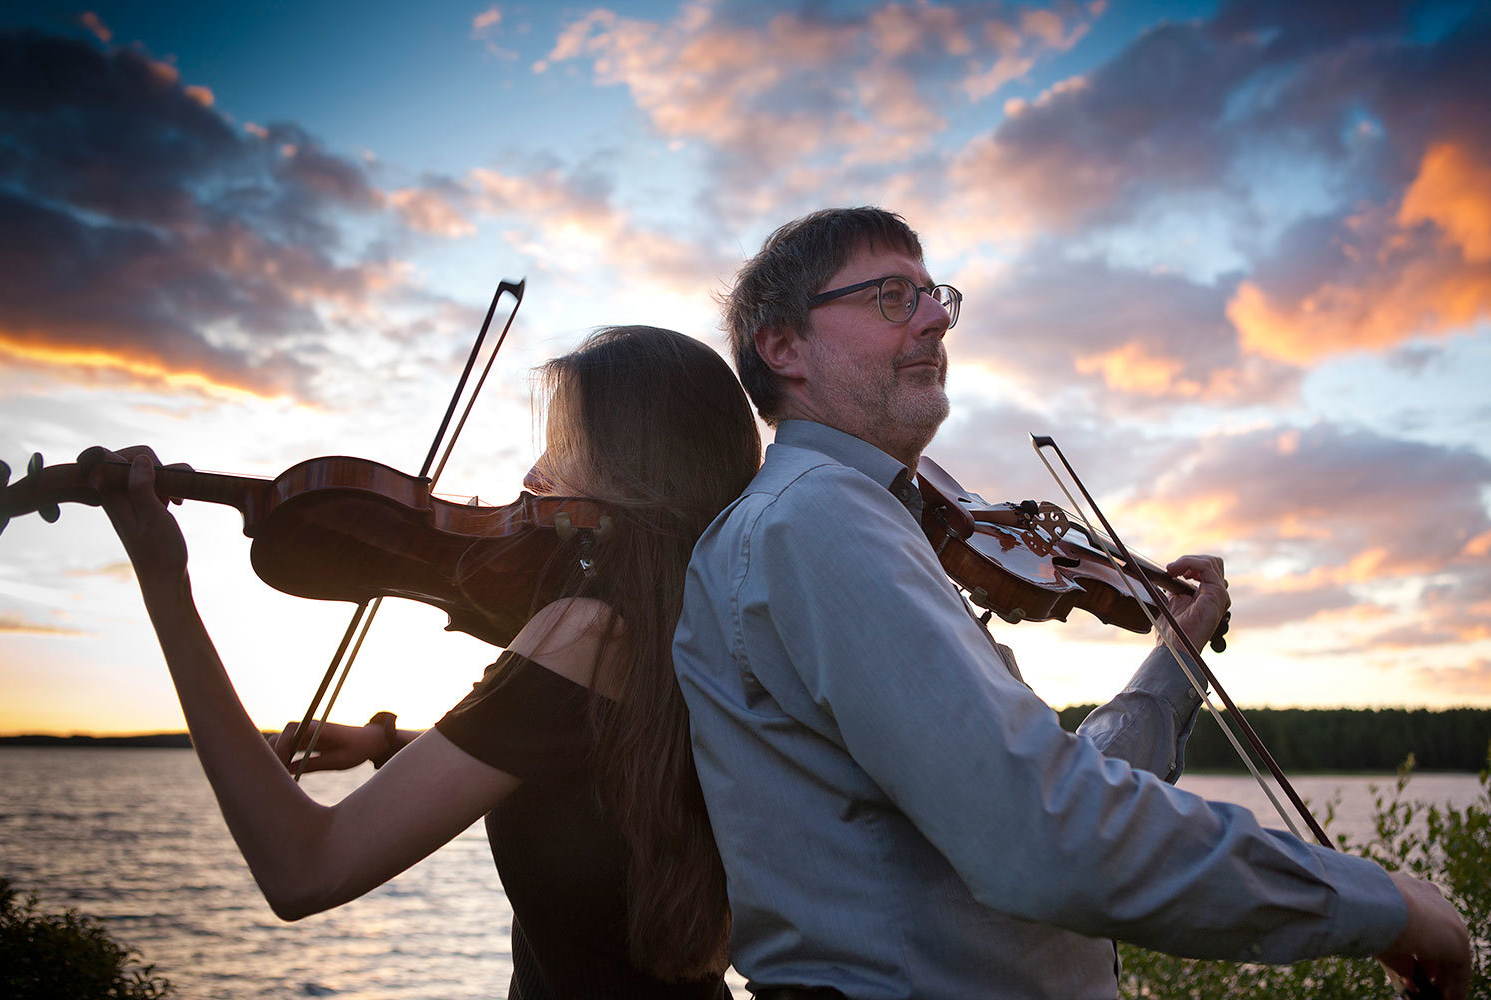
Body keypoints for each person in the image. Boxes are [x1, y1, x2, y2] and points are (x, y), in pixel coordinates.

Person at [672, 208, 1472, 1000]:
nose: (935, 321)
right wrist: (1376, 903)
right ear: (783, 346)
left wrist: (1173, 664)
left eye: (934, 296)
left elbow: (1041, 791)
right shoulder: (817, 520)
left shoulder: (857, 524)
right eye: (890, 297)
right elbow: (1042, 829)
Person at [87, 325, 762, 999]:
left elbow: (302, 869)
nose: (531, 476)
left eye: (564, 447)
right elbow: (586, 768)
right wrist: (386, 744)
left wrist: (165, 583)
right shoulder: (708, 629)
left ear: (634, 471)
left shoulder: (583, 634)